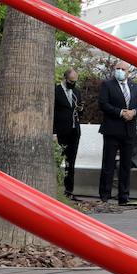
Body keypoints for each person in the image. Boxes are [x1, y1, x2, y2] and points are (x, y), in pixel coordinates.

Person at [97, 61, 137, 204]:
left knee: (126, 165)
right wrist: (121, 112)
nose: (120, 71)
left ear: (128, 72)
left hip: (129, 132)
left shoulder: (135, 87)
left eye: (123, 69)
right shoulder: (107, 85)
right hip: (112, 130)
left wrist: (133, 112)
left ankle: (124, 196)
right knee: (108, 164)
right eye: (118, 69)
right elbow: (103, 104)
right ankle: (105, 195)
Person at [53, 68, 82, 200]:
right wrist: (53, 133)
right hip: (60, 132)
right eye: (71, 81)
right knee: (57, 161)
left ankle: (69, 191)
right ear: (65, 79)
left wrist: (80, 109)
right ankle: (55, 189)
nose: (73, 84)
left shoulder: (76, 91)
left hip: (74, 131)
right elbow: (51, 112)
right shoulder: (56, 91)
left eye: (75, 81)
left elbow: (79, 114)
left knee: (71, 162)